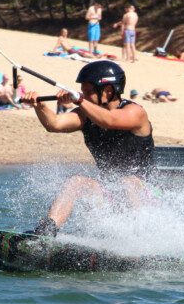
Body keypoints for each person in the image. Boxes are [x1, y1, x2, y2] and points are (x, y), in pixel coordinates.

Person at [23, 61, 155, 236]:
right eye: (82, 91)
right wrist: (39, 106)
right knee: (76, 182)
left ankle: (141, 241)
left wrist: (79, 100)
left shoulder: (135, 112)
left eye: (88, 92)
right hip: (109, 191)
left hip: (147, 194)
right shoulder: (85, 115)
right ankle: (46, 232)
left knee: (127, 182)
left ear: (108, 91)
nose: (83, 95)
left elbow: (109, 120)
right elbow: (54, 124)